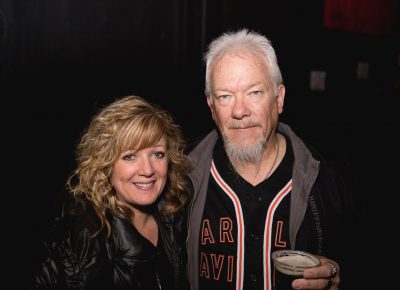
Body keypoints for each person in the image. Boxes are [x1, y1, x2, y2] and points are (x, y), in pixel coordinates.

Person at [185, 29, 352, 290]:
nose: (240, 111)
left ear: (279, 99)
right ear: (212, 107)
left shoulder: (326, 181)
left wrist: (336, 274)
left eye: (254, 92)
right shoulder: (179, 179)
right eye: (225, 96)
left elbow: (360, 261)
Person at [31, 95, 191, 290]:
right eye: (130, 156)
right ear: (106, 164)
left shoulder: (176, 216)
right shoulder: (84, 239)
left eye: (157, 154)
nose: (148, 170)